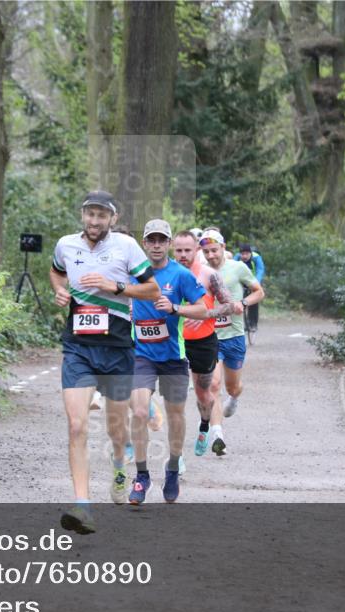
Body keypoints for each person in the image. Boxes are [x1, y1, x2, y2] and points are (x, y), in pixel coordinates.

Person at [50, 191, 160, 533]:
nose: (94, 221)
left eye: (101, 215)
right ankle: (82, 506)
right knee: (77, 425)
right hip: (78, 348)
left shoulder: (126, 247)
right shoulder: (66, 245)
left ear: (112, 218)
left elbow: (152, 290)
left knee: (115, 426)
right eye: (90, 214)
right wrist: (60, 291)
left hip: (116, 348)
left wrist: (116, 287)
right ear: (83, 215)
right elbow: (56, 272)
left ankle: (117, 463)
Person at [125, 220, 209, 505]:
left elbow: (203, 310)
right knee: (138, 412)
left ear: (169, 244)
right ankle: (141, 476)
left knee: (175, 417)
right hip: (142, 355)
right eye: (152, 240)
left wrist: (175, 308)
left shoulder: (181, 275)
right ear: (145, 244)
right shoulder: (133, 274)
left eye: (162, 240)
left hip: (173, 357)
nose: (157, 245)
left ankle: (172, 467)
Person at [172, 231, 239, 457]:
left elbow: (229, 305)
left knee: (204, 394)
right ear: (173, 250)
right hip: (174, 341)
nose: (183, 255)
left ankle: (204, 425)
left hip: (203, 342)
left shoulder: (209, 275)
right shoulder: (166, 274)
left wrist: (205, 313)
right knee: (176, 395)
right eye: (178, 250)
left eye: (187, 250)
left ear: (196, 251)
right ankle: (176, 456)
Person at [198, 229, 264, 455]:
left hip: (233, 337)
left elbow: (259, 292)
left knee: (231, 386)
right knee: (213, 385)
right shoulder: (199, 272)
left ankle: (235, 398)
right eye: (206, 251)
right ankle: (217, 435)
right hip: (209, 338)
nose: (211, 255)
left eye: (214, 250)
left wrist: (243, 303)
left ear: (223, 248)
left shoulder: (238, 268)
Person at [233, 243, 265, 333]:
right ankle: (240, 322)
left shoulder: (256, 258)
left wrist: (256, 283)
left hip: (254, 279)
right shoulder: (237, 258)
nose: (244, 256)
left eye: (247, 254)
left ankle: (253, 324)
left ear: (251, 253)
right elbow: (232, 269)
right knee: (237, 297)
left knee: (254, 298)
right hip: (242, 280)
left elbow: (260, 270)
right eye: (242, 254)